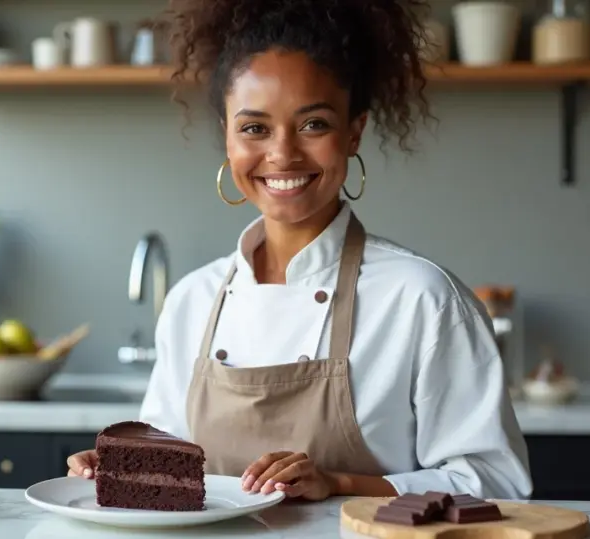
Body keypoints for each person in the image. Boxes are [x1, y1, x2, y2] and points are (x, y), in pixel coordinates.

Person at [67, 0, 533, 502]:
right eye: (254, 128)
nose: (283, 153)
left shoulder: (422, 299)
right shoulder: (191, 301)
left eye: (313, 124)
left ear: (354, 132)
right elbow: (168, 466)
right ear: (227, 137)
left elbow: (497, 485)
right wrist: (119, 468)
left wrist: (340, 483)